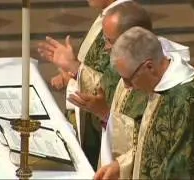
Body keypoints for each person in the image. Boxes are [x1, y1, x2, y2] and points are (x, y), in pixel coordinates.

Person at [67, 1, 192, 169]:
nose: (106, 47)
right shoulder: (123, 65)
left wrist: (106, 114)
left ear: (130, 39)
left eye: (110, 41)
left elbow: (150, 142)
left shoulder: (170, 88)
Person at [94, 27, 194, 180]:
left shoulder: (186, 101)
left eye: (129, 79)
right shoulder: (160, 85)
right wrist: (121, 166)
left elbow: (183, 172)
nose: (127, 87)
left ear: (149, 66)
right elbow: (153, 149)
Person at [37, 0, 131, 170]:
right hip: (88, 119)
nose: (108, 46)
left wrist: (74, 67)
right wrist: (71, 73)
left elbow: (114, 85)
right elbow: (96, 66)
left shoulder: (123, 21)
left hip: (109, 130)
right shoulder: (108, 15)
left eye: (110, 42)